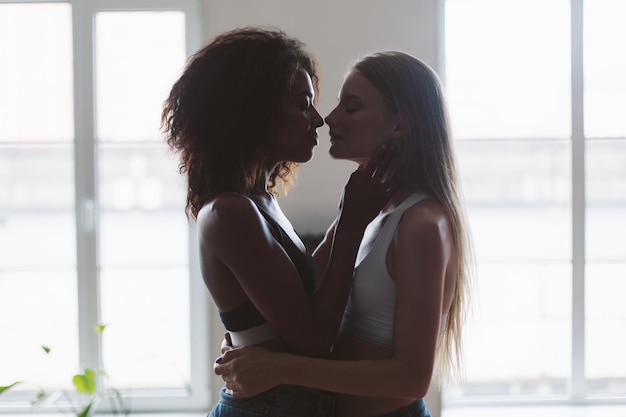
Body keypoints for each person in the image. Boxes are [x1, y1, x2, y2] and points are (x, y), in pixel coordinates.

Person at [214, 51, 473, 417]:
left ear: (399, 125)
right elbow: (306, 303)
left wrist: (277, 368)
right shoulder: (365, 212)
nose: (329, 119)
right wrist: (252, 343)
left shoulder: (422, 224)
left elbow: (412, 379)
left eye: (350, 108)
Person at [161, 27, 397, 417]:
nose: (319, 119)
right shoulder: (230, 212)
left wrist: (348, 217)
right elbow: (315, 340)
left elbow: (305, 291)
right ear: (257, 110)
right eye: (304, 105)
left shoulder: (259, 201)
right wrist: (352, 225)